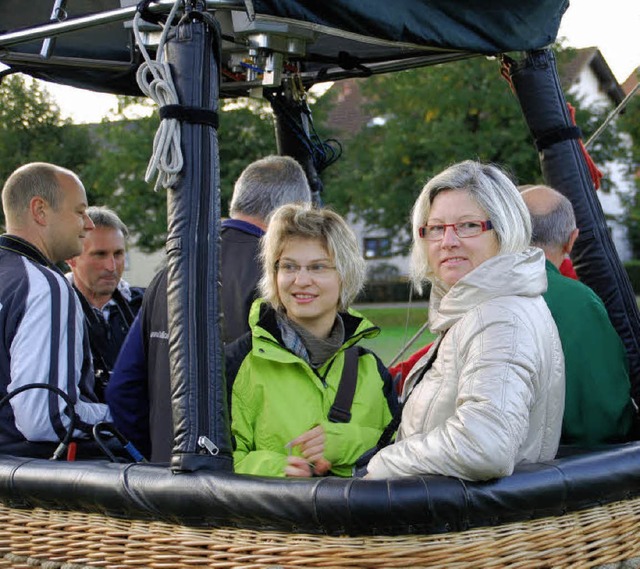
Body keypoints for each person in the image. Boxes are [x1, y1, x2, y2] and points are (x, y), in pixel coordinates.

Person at [365, 160, 565, 481]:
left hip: (469, 527)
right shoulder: (482, 309)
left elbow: (485, 446)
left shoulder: (499, 318)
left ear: (503, 229)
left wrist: (382, 465)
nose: (447, 241)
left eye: (468, 225)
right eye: (436, 228)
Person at [106, 155, 312, 461]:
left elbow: (123, 389)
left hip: (165, 479)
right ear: (291, 213)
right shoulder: (279, 279)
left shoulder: (169, 272)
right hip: (250, 482)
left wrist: (157, 454)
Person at [227, 203, 397, 477]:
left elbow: (402, 450)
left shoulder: (372, 370)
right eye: (289, 266)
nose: (301, 280)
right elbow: (214, 463)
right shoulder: (237, 363)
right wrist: (276, 469)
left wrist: (342, 443)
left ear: (345, 275)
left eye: (318, 267)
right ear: (274, 275)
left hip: (351, 520)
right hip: (270, 519)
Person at [0, 162, 111, 454]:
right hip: (29, 488)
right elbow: (46, 420)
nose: (89, 223)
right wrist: (120, 414)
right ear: (40, 211)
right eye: (79, 211)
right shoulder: (43, 285)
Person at [520, 184, 635, 445]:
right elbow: (603, 415)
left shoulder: (475, 290)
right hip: (558, 471)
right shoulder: (579, 302)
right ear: (572, 240)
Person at [66, 206, 144, 401]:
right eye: (99, 254)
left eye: (118, 254)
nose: (111, 266)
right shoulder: (52, 310)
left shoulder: (145, 306)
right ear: (71, 257)